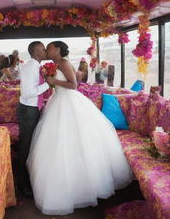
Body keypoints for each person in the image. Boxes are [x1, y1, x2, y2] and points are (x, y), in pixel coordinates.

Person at [27, 41, 132, 215]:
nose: (47, 49)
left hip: (69, 101)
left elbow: (73, 85)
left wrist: (54, 81)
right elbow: (58, 83)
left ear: (58, 49)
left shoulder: (64, 62)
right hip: (57, 101)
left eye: (50, 47)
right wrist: (51, 82)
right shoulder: (53, 64)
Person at [17, 41, 49, 198]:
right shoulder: (30, 66)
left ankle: (28, 178)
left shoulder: (35, 65)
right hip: (28, 110)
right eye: (43, 49)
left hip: (32, 109)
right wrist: (48, 85)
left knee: (31, 144)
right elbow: (28, 93)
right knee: (25, 146)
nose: (45, 52)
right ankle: (22, 183)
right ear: (37, 52)